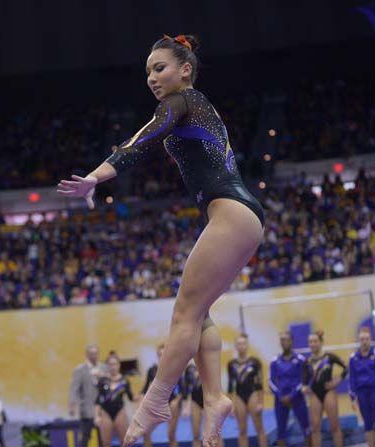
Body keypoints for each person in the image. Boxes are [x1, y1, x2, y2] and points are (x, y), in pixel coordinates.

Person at [57, 33, 264, 447]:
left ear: (184, 70)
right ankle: (214, 398)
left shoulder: (182, 101)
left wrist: (97, 175)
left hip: (231, 214)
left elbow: (142, 140)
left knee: (184, 314)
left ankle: (155, 402)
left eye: (159, 68)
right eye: (147, 72)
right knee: (198, 312)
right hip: (239, 215)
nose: (151, 77)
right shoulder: (191, 106)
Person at [302, 331, 347, 447]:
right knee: (315, 428)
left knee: (335, 426)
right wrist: (304, 387)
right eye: (310, 342)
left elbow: (346, 368)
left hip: (328, 392)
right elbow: (304, 380)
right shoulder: (306, 362)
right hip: (315, 394)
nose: (313, 344)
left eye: (315, 341)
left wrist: (338, 380)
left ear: (321, 342)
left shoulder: (329, 357)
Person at [269, 331, 311, 447]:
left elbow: (303, 380)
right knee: (280, 432)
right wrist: (280, 396)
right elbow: (271, 382)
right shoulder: (274, 361)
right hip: (280, 400)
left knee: (306, 428)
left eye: (286, 339)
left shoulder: (301, 359)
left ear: (292, 341)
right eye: (282, 340)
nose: (284, 342)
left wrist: (292, 396)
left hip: (297, 398)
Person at [348, 327, 375, 447]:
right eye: (362, 339)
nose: (364, 341)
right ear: (359, 340)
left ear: (370, 339)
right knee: (367, 423)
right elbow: (351, 379)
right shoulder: (353, 357)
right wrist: (353, 398)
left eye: (366, 339)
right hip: (361, 393)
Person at [140, 344, 186, 447]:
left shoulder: (176, 369)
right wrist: (141, 400)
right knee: (146, 433)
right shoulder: (152, 370)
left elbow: (183, 390)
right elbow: (145, 389)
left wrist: (177, 401)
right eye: (160, 354)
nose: (162, 356)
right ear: (157, 355)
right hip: (156, 404)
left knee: (171, 435)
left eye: (164, 354)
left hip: (171, 404)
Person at [227, 334, 266, 447]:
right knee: (242, 431)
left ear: (247, 345)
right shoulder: (231, 364)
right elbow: (230, 386)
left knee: (259, 429)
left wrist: (260, 402)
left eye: (244, 343)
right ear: (235, 346)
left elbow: (259, 384)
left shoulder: (255, 362)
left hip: (253, 394)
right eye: (239, 344)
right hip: (239, 397)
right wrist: (231, 406)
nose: (241, 346)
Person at [69, 344, 107, 447]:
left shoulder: (104, 368)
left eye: (96, 353)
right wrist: (72, 405)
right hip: (87, 409)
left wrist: (104, 377)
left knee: (103, 440)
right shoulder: (80, 370)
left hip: (103, 410)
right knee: (84, 439)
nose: (94, 356)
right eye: (91, 353)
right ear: (87, 355)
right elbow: (74, 389)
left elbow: (110, 385)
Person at [95, 353, 135, 447]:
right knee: (106, 443)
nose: (113, 367)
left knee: (125, 442)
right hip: (105, 413)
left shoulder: (124, 380)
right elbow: (98, 400)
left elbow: (131, 397)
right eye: (111, 364)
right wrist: (97, 416)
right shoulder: (103, 380)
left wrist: (142, 397)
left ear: (119, 365)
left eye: (115, 364)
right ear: (107, 366)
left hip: (119, 412)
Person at [183, 362, 205, 447]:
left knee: (214, 435)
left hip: (209, 401)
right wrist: (185, 407)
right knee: (196, 435)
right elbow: (186, 389)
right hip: (195, 401)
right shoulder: (189, 369)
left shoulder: (209, 362)